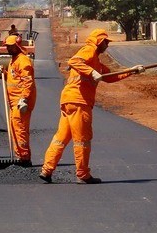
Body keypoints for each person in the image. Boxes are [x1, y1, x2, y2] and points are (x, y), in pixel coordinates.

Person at [39, 29, 144, 184]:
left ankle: (46, 170)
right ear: (98, 41)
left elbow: (111, 77)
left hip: (69, 101)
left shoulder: (96, 61)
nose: (107, 45)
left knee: (61, 138)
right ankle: (82, 174)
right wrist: (92, 72)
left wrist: (131, 71)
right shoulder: (89, 50)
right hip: (79, 102)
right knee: (82, 139)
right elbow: (74, 61)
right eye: (105, 42)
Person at [0, 35, 36, 167]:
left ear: (17, 46)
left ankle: (24, 157)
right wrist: (4, 73)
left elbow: (27, 82)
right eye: (7, 46)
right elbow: (15, 79)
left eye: (10, 46)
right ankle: (19, 155)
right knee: (15, 128)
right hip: (14, 102)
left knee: (20, 129)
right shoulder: (14, 60)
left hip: (21, 102)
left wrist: (24, 99)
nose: (7, 48)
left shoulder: (23, 61)